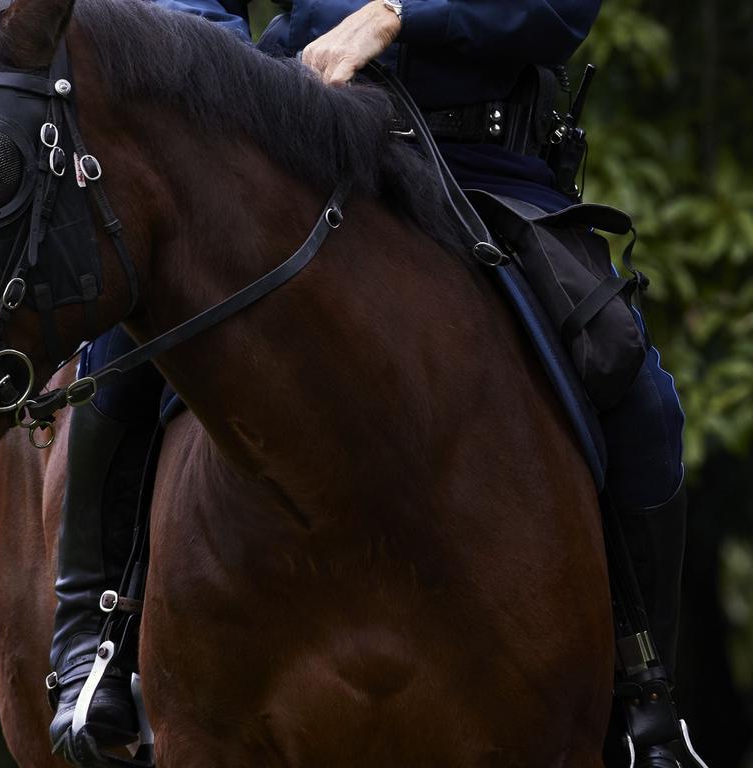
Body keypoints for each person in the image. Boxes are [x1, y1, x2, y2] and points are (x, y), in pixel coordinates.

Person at [45, 0, 687, 763]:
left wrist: (398, 16)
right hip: (289, 148)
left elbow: (555, 11)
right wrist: (226, 70)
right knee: (120, 348)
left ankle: (646, 698)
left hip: (478, 166)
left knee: (635, 386)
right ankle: (92, 647)